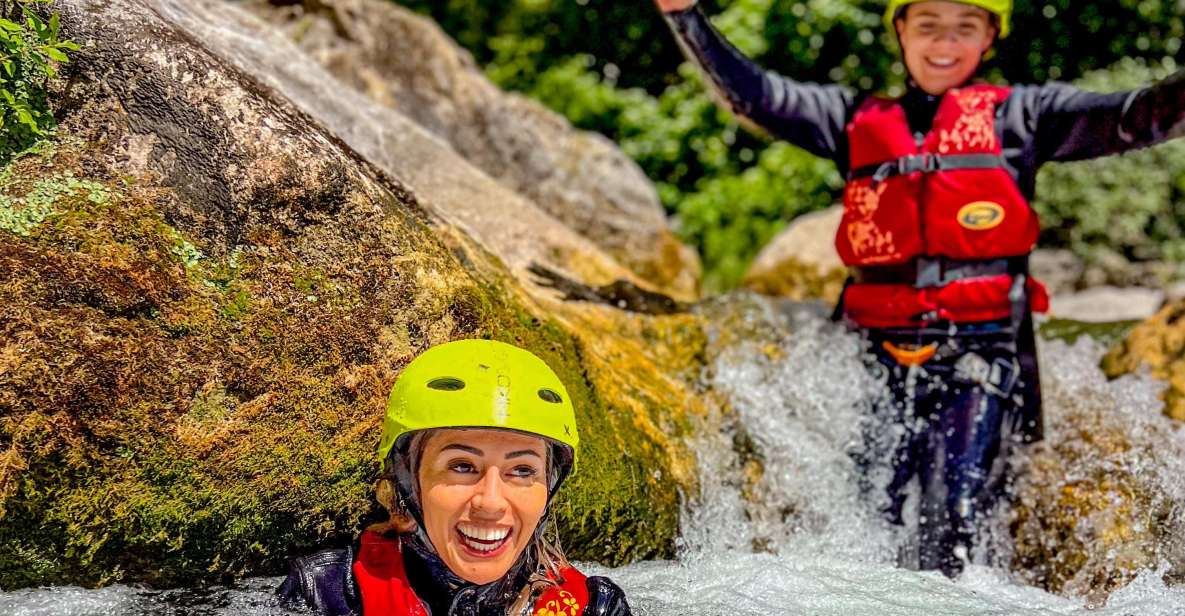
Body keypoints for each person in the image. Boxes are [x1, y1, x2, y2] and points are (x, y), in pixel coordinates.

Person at [653, 0, 1185, 576]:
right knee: (862, 530)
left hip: (979, 360)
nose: (943, 43)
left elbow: (1139, 115)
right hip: (872, 359)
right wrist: (686, 16)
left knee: (950, 527)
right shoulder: (851, 118)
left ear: (989, 38)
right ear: (901, 32)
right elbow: (754, 95)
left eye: (964, 28)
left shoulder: (1023, 117)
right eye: (927, 25)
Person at [278, 339, 633, 615]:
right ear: (406, 481)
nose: (491, 502)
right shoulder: (328, 593)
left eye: (522, 470)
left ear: (548, 490)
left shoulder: (594, 607)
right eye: (462, 466)